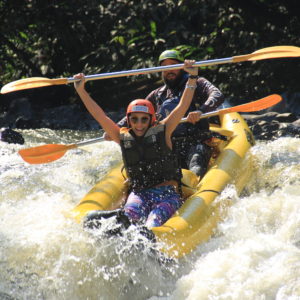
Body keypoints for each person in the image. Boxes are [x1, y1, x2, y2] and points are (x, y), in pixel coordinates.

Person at [73, 60, 198, 231]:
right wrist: (81, 91)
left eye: (144, 119)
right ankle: (116, 222)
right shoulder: (122, 136)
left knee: (152, 222)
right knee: (130, 215)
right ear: (129, 120)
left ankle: (146, 232)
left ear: (152, 120)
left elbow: (182, 106)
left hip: (167, 195)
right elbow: (99, 115)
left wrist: (192, 77)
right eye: (134, 119)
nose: (139, 124)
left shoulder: (164, 131)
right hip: (139, 193)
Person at [116, 49, 225, 178]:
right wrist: (117, 127)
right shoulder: (158, 94)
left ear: (181, 67)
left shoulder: (197, 82)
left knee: (196, 166)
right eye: (165, 67)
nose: (169, 70)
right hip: (168, 145)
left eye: (173, 65)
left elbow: (217, 95)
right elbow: (136, 111)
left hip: (197, 141)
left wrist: (201, 111)